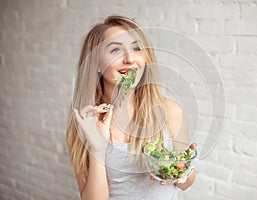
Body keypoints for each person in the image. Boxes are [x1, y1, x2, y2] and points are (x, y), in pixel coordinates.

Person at [66, 15, 196, 200]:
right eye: (116, 50)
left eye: (136, 48)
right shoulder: (86, 122)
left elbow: (186, 183)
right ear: (96, 63)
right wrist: (97, 149)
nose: (130, 58)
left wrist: (178, 170)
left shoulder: (170, 111)